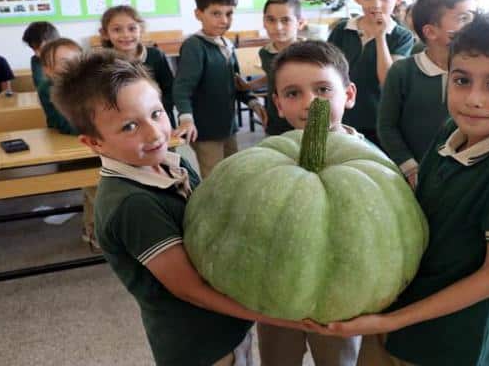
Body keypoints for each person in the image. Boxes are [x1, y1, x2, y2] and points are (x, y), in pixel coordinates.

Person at [308, 9, 489, 366]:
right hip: (400, 311)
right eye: (461, 80)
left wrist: (392, 320)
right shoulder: (451, 131)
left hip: (451, 342)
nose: (473, 98)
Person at [51, 50, 303, 366]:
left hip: (227, 324)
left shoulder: (174, 162)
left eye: (156, 113)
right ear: (94, 143)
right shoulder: (133, 205)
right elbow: (190, 289)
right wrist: (276, 317)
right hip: (199, 345)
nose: (154, 132)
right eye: (129, 126)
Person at [259, 40, 362, 366]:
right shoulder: (265, 162)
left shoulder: (371, 164)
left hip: (341, 297)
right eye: (293, 93)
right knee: (278, 359)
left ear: (348, 94)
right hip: (276, 292)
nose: (310, 103)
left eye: (322, 90)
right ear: (278, 104)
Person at [378, 0, 475, 188]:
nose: (474, 25)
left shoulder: (477, 73)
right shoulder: (403, 71)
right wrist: (410, 168)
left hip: (461, 175)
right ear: (430, 32)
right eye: (464, 18)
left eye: (474, 17)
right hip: (410, 175)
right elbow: (386, 126)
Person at [172, 0, 267, 178]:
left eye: (229, 13)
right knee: (214, 179)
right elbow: (182, 88)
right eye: (216, 13)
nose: (224, 20)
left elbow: (236, 83)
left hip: (227, 126)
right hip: (205, 131)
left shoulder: (227, 44)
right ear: (198, 14)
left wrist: (254, 104)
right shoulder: (194, 46)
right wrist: (186, 119)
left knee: (233, 173)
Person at [327, 0, 414, 145]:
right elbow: (327, 71)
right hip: (340, 118)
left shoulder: (401, 36)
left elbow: (388, 81)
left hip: (380, 121)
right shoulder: (342, 30)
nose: (376, 4)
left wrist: (380, 37)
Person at [38, 38, 100, 249]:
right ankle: (98, 232)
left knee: (95, 187)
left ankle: (90, 229)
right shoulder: (49, 88)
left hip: (93, 142)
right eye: (64, 62)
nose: (72, 65)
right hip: (70, 146)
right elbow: (64, 123)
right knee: (96, 188)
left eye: (76, 59)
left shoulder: (87, 83)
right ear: (48, 70)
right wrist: (97, 129)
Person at [237, 0, 306, 136]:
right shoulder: (265, 53)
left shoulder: (311, 53)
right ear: (264, 22)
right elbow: (272, 76)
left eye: (285, 20)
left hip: (305, 121)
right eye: (271, 20)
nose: (278, 27)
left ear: (300, 23)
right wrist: (250, 86)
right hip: (275, 119)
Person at [99, 5, 177, 128]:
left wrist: (156, 112)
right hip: (125, 125)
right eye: (117, 30)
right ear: (105, 33)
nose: (126, 35)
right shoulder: (103, 62)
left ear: (141, 29)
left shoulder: (155, 55)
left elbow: (170, 90)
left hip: (159, 120)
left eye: (132, 28)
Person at [21, 21, 60, 88]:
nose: (37, 54)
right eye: (33, 49)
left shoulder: (70, 58)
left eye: (40, 48)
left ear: (54, 43)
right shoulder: (36, 60)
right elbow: (41, 88)